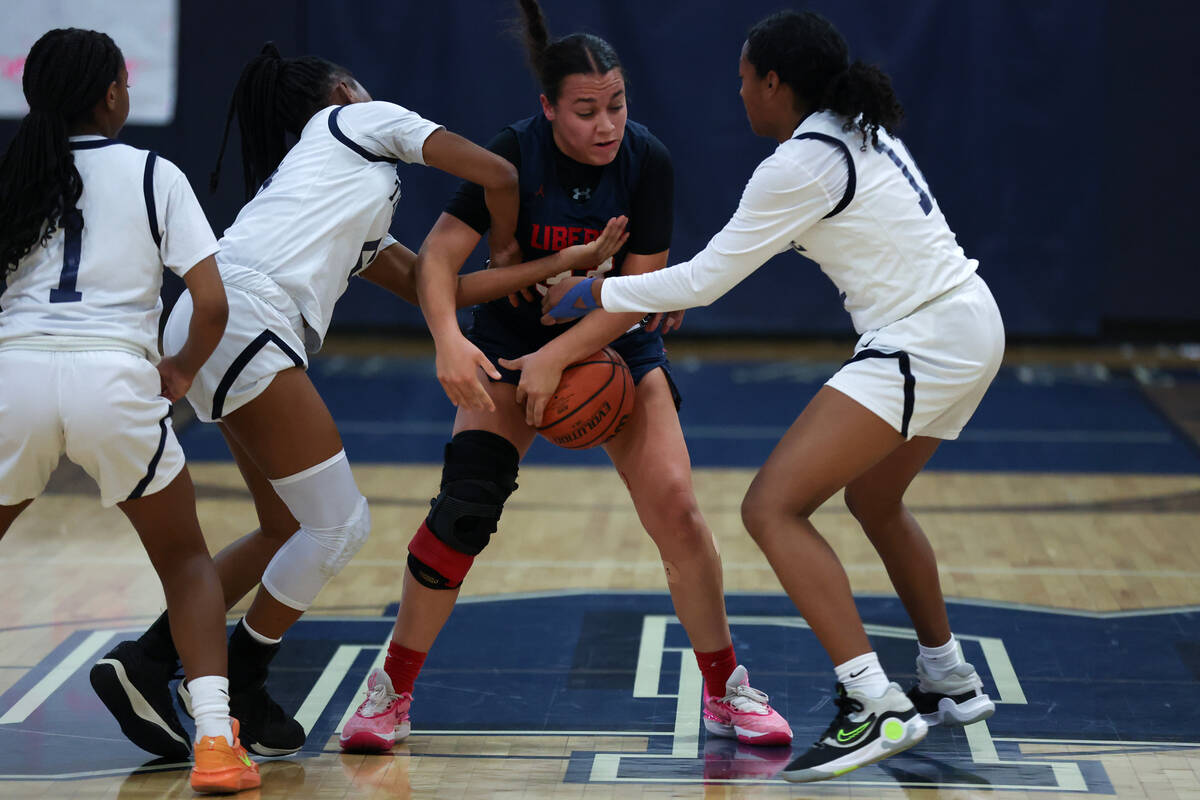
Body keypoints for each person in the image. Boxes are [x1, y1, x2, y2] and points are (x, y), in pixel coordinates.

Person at [87, 42, 630, 761]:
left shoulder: (340, 188)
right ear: (344, 90)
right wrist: (505, 246)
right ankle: (241, 677)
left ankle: (150, 660)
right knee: (340, 526)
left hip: (214, 319)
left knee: (285, 527)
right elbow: (500, 173)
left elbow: (437, 289)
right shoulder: (360, 119)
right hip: (248, 320)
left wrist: (561, 263)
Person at [543, 9, 1002, 783]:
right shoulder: (853, 130)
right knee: (875, 500)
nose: (741, 94)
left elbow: (704, 283)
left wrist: (591, 291)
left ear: (776, 84)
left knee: (771, 508)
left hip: (924, 339)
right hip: (969, 324)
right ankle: (946, 676)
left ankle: (874, 702)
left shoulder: (801, 164)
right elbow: (706, 276)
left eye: (746, 80)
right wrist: (636, 290)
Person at [339, 0, 792, 754]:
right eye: (585, 111)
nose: (606, 124)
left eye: (616, 105)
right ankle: (391, 689)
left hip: (613, 352)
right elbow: (439, 259)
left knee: (677, 508)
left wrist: (563, 343)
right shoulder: (511, 158)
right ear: (549, 109)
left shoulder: (647, 161)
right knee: (464, 509)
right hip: (510, 347)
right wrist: (450, 339)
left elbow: (638, 294)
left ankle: (724, 689)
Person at [0, 28, 258, 794]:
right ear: (111, 93)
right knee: (184, 563)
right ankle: (215, 742)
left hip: (13, 374)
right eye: (125, 83)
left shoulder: (13, 174)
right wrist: (178, 371)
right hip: (112, 379)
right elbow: (210, 302)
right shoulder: (155, 173)